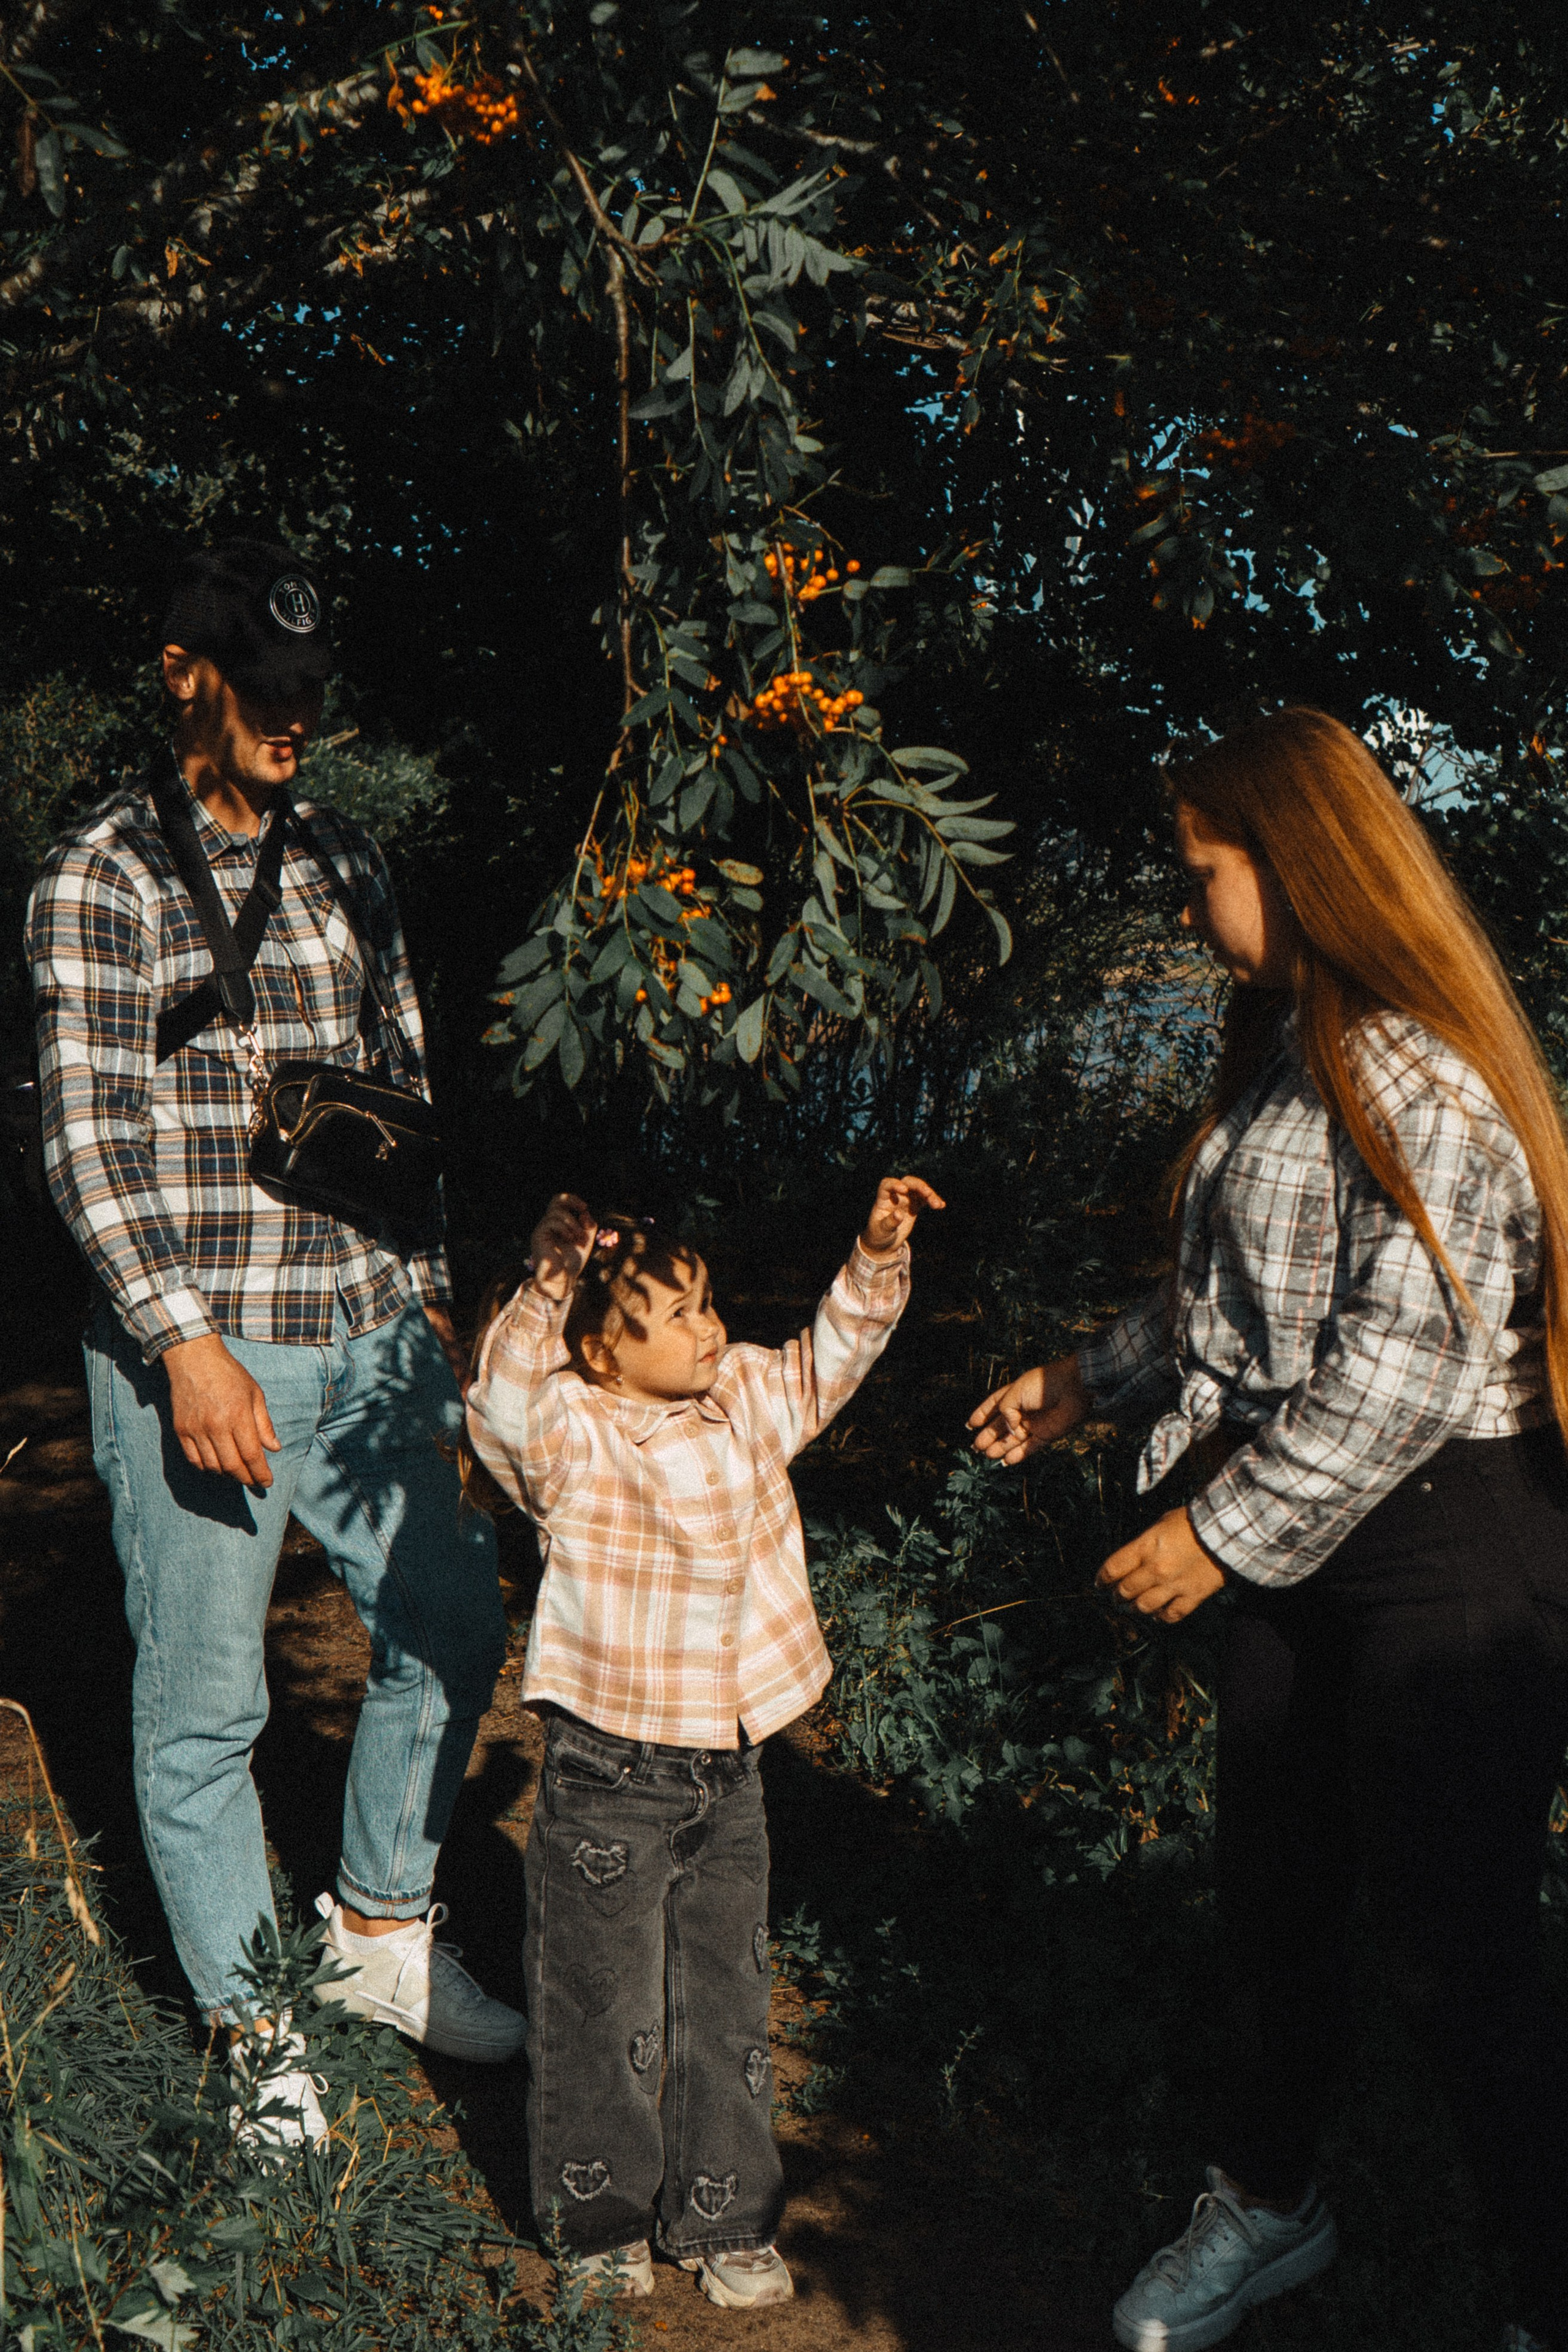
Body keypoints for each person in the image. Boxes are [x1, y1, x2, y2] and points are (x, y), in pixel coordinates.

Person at [968, 707, 1568, 2352]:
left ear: (1298, 868)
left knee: (1457, 1945)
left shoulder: (1425, 1080)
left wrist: (1217, 1536)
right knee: (1275, 1896)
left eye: (1201, 872)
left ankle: (1546, 2278)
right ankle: (1269, 2201)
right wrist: (1084, 1382)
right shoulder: (1298, 1048)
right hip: (1318, 1527)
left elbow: (1399, 1365)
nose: (1185, 908)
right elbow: (1242, 1306)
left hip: (1450, 1544)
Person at [25, 537, 524, 2144]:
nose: (294, 712)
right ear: (185, 676)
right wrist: (183, 1348)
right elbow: (86, 1141)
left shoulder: (344, 861)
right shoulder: (100, 876)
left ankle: (379, 1929)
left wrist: (429, 1290)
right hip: (205, 1354)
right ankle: (257, 2030)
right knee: (204, 1713)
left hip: (367, 1334)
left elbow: (402, 1084)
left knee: (450, 1624)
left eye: (311, 684)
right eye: (263, 683)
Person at [462, 1176, 943, 2307]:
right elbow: (499, 1405)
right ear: (603, 1351)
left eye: (709, 1301)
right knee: (601, 2004)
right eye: (677, 1315)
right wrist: (551, 1280)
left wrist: (876, 1255)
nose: (710, 1326)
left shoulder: (745, 1396)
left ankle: (725, 2214)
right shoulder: (573, 1430)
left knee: (728, 1995)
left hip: (731, 1770)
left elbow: (830, 1360)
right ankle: (599, 2223)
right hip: (609, 1773)